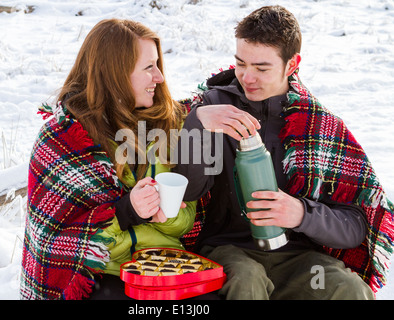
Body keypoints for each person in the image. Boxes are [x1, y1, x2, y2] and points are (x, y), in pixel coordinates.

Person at [175, 5, 394, 299]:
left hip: (298, 261)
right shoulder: (213, 108)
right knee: (247, 280)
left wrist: (301, 213)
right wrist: (197, 123)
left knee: (348, 288)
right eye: (240, 63)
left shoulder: (319, 124)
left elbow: (355, 227)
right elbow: (187, 192)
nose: (246, 77)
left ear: (291, 65)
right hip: (228, 252)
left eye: (261, 68)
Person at [20, 19, 198, 300]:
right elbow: (59, 247)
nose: (160, 77)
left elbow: (187, 223)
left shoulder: (169, 126)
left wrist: (166, 215)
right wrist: (127, 211)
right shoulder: (64, 139)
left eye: (158, 64)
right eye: (148, 67)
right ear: (114, 74)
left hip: (167, 268)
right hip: (104, 278)